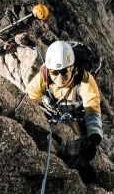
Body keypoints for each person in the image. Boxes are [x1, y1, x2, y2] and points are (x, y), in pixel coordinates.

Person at [26, 41, 103, 170]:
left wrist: (94, 135)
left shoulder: (85, 79)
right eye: (55, 72)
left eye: (64, 71)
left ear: (72, 68)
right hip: (55, 111)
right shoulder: (44, 76)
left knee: (86, 150)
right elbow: (30, 97)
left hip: (77, 114)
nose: (60, 77)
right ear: (49, 70)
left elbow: (92, 108)